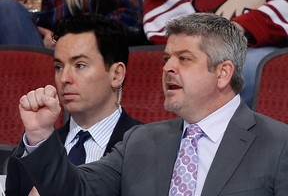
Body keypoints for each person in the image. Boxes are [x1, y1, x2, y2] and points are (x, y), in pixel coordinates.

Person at [10, 13, 288, 195]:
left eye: (184, 58)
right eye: (166, 58)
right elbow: (75, 191)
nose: (168, 68)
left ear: (223, 73)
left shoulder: (279, 145)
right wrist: (41, 135)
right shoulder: (139, 141)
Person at [5, 14, 142, 196]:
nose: (64, 79)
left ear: (116, 74)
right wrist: (38, 136)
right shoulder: (35, 145)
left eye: (80, 65)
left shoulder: (145, 145)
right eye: (59, 67)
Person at [142, 0, 288, 108]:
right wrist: (194, 37)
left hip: (254, 45)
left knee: (247, 66)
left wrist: (235, 30)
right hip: (186, 36)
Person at [0, 0, 146, 47]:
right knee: (8, 10)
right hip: (39, 56)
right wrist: (19, 19)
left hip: (86, 50)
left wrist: (64, 38)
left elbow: (130, 17)